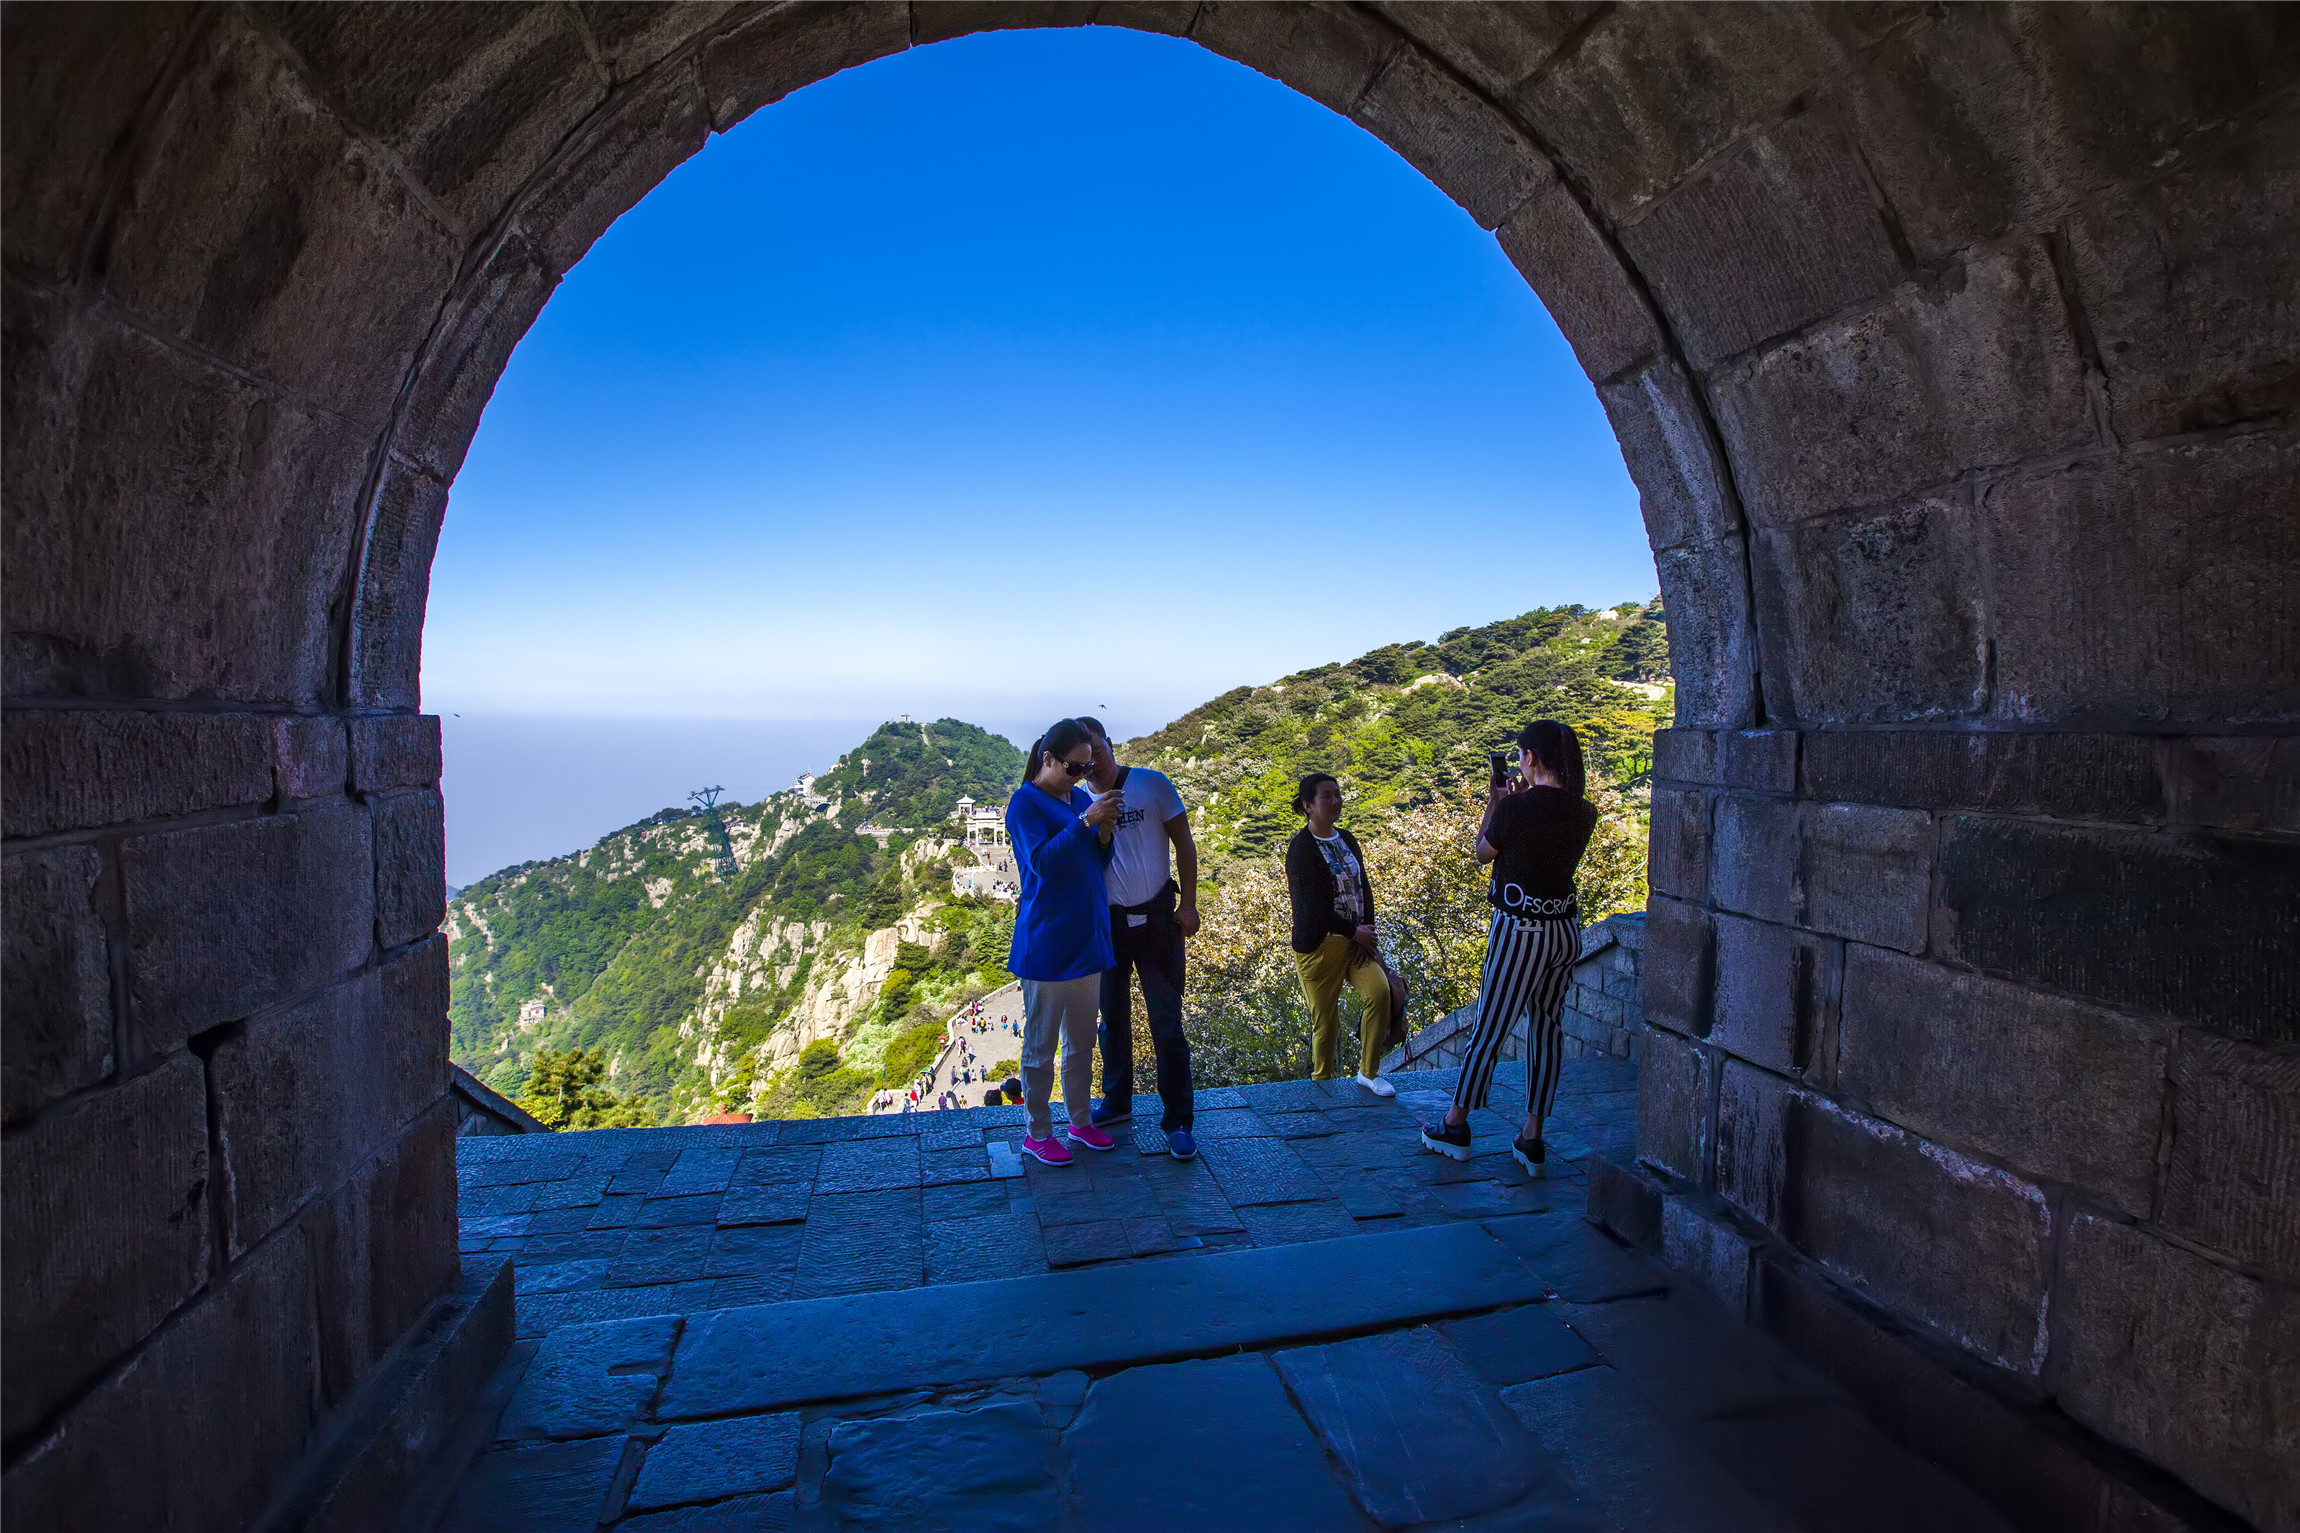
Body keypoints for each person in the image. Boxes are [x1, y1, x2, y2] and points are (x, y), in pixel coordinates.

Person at [1420, 721, 1598, 1176]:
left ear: (1531, 758)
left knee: (1490, 1027)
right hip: (1564, 929)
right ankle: (1532, 1135)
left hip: (1521, 928)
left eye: (1521, 754)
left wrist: (1496, 803)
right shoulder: (1584, 811)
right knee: (1547, 1029)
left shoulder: (1515, 808)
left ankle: (1456, 1123)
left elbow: (1483, 853)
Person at [1075, 716, 1201, 1160]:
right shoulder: (1076, 803)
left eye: (1096, 750)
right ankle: (1116, 1102)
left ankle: (1179, 1120)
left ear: (1109, 744)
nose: (1091, 762)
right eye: (1082, 758)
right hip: (1107, 926)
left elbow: (1184, 844)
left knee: (1167, 1023)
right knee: (1112, 1020)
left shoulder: (1151, 784)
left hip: (1157, 921)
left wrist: (1188, 905)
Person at [1006, 719, 1122, 1165]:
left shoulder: (1075, 799)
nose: (1080, 776)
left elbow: (1096, 862)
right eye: (1073, 767)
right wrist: (1084, 822)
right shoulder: (1024, 804)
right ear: (1047, 759)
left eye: (1086, 767)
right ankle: (1037, 1133)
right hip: (1049, 944)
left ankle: (1080, 1120)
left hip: (1087, 937)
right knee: (1040, 1047)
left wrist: (1104, 834)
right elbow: (1041, 865)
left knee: (1082, 1041)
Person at [1284, 774, 1405, 1092]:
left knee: (1379, 993)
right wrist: (1355, 931)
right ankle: (1322, 1082)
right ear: (1309, 806)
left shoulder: (1347, 839)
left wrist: (1367, 929)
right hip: (1319, 946)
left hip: (1355, 942)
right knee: (1325, 1019)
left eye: (1337, 794)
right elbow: (1312, 908)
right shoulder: (1301, 850)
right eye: (1327, 796)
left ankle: (1368, 1072)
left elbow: (1363, 887)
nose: (1336, 801)